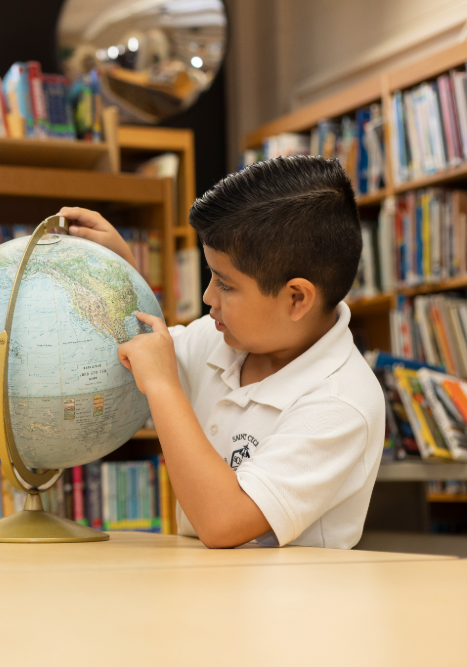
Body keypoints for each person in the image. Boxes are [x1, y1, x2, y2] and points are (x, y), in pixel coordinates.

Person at [58, 155, 385, 549]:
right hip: (207, 595)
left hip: (293, 608)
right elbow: (143, 346)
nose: (207, 296)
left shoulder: (341, 404)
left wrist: (164, 387)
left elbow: (224, 522)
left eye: (225, 285)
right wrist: (121, 270)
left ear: (296, 298)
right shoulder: (223, 340)